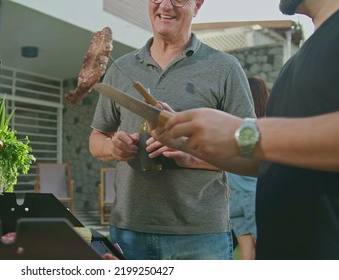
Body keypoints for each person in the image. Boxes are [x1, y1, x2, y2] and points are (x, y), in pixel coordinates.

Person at [149, 0, 339, 259]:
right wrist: (187, 140)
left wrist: (244, 132)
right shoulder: (297, 61)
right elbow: (267, 161)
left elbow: (251, 138)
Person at [88, 0, 256, 260]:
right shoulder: (121, 68)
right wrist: (113, 147)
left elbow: (248, 150)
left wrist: (190, 155)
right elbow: (96, 138)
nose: (165, 5)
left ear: (197, 5)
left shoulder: (225, 68)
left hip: (200, 236)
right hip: (129, 231)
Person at [228, 77, 270, 260]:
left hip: (234, 195)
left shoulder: (234, 125)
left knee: (247, 252)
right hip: (254, 194)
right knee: (263, 251)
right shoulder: (264, 126)